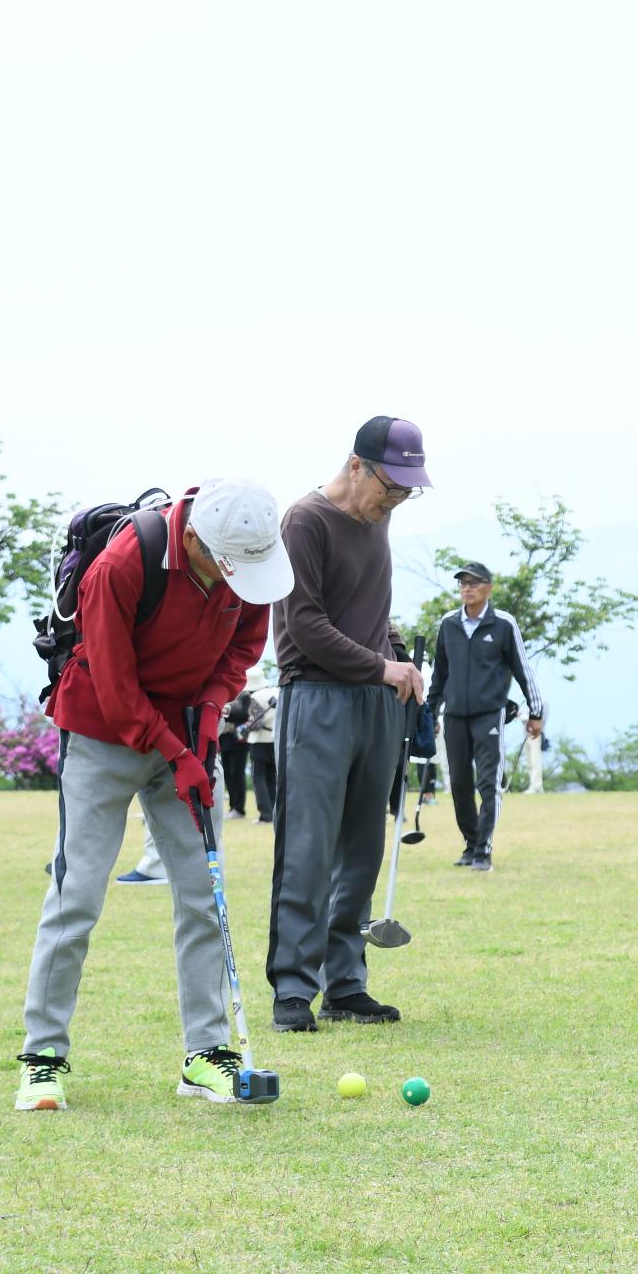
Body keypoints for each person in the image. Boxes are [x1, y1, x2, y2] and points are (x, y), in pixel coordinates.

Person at [14, 478, 285, 1111]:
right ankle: (42, 1056)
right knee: (76, 893)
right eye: (224, 568)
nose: (234, 582)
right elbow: (113, 680)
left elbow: (243, 650)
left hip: (190, 731)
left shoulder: (247, 559)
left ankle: (206, 1054)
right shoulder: (123, 563)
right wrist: (175, 753)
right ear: (192, 538)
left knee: (202, 894)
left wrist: (209, 724)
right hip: (103, 732)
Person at [267, 416, 427, 1033]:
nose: (396, 501)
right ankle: (291, 989)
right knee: (306, 851)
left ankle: (346, 984)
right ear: (356, 465)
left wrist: (399, 658)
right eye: (392, 486)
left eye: (408, 491)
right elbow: (304, 625)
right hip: (316, 699)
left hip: (374, 702)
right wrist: (380, 667)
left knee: (362, 849)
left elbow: (372, 613)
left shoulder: (377, 519)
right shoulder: (304, 522)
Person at [426, 561, 543, 871]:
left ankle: (484, 850)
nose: (467, 588)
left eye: (474, 583)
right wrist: (431, 710)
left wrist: (536, 711)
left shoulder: (503, 624)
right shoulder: (449, 624)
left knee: (487, 782)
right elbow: (440, 672)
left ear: (488, 588)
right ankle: (470, 843)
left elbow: (523, 670)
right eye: (463, 583)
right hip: (454, 716)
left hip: (489, 715)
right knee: (460, 783)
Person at [240, 673, 281, 823]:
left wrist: (246, 727)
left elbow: (256, 724)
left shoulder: (256, 696)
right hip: (275, 740)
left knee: (258, 778)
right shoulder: (277, 691)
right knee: (272, 778)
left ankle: (265, 815)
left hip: (259, 742)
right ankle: (275, 813)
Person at [220, 688, 252, 820]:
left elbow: (244, 714)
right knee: (227, 774)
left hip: (239, 741)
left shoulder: (245, 696)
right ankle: (233, 806)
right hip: (224, 740)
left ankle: (239, 808)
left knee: (237, 774)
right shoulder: (224, 692)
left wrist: (226, 711)